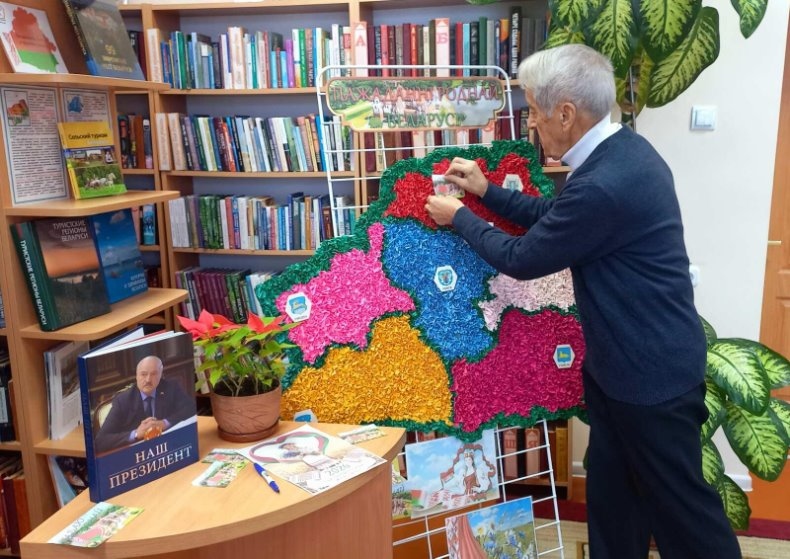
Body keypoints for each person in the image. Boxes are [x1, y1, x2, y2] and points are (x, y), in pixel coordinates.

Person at [424, 44, 741, 559]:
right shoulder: (620, 152)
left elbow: (523, 257)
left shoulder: (606, 182)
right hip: (624, 371)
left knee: (686, 520)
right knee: (615, 505)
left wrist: (459, 216)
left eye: (534, 110)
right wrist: (487, 191)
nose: (531, 123)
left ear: (566, 113)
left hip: (650, 379)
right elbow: (560, 218)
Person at [94, 356, 194, 454]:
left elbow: (190, 409)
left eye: (154, 374)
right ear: (136, 376)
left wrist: (164, 423)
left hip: (166, 448)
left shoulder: (171, 387)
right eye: (143, 374)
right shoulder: (123, 400)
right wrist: (136, 433)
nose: (148, 380)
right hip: (136, 454)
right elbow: (101, 441)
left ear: (160, 375)